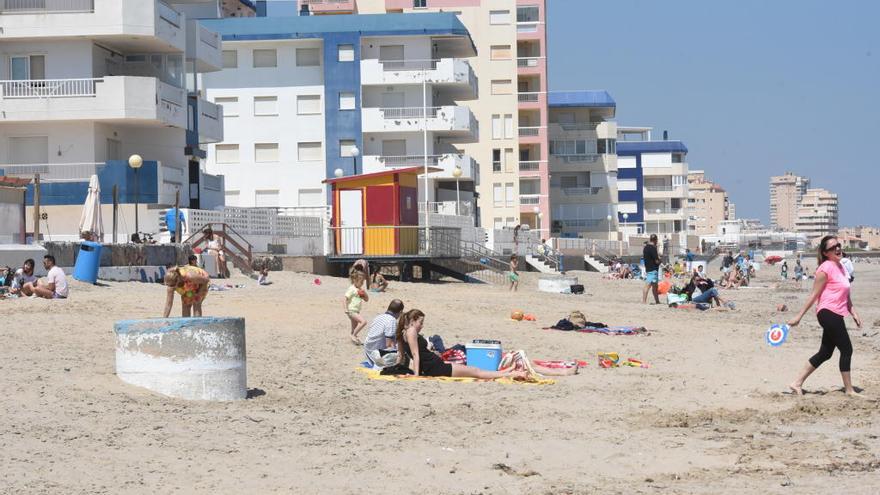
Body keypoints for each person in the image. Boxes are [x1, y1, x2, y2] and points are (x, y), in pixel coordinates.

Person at [787, 236, 863, 397]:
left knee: (825, 353)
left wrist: (853, 312)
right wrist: (798, 316)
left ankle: (796, 383)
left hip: (836, 313)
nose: (837, 249)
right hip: (827, 312)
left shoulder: (841, 267)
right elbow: (814, 295)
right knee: (847, 349)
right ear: (825, 253)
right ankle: (849, 390)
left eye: (838, 245)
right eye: (832, 247)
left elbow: (845, 295)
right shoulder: (825, 268)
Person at [396, 309, 525, 379]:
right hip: (434, 367)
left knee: (474, 369)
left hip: (434, 364)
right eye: (420, 322)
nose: (422, 326)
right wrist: (417, 375)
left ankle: (506, 371)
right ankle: (510, 374)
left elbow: (401, 356)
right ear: (413, 321)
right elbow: (415, 354)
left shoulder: (402, 333)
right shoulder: (411, 331)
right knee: (476, 371)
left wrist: (397, 368)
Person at [363, 299, 404, 367]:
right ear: (400, 312)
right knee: (402, 350)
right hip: (376, 354)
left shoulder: (379, 317)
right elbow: (389, 344)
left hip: (368, 350)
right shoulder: (391, 320)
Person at [344, 270, 369, 345]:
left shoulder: (359, 290)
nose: (362, 284)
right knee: (363, 322)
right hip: (351, 310)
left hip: (356, 311)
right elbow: (345, 299)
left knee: (354, 327)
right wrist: (345, 308)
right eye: (361, 282)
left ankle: (353, 339)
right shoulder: (351, 289)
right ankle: (353, 335)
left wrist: (365, 293)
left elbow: (366, 300)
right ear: (355, 280)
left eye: (363, 282)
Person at [642, 234, 661, 304]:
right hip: (653, 269)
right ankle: (644, 302)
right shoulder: (653, 248)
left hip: (649, 268)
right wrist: (660, 260)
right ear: (655, 240)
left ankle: (657, 301)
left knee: (655, 287)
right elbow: (656, 260)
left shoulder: (646, 247)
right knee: (647, 285)